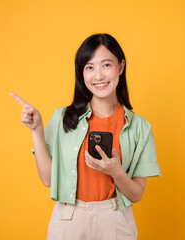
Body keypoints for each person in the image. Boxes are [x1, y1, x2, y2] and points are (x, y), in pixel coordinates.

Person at [10, 33, 162, 240]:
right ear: (82, 73)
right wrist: (36, 129)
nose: (98, 76)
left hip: (115, 220)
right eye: (89, 67)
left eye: (106, 65)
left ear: (121, 66)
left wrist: (116, 171)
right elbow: (47, 179)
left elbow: (136, 194)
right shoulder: (63, 117)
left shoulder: (140, 127)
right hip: (69, 219)